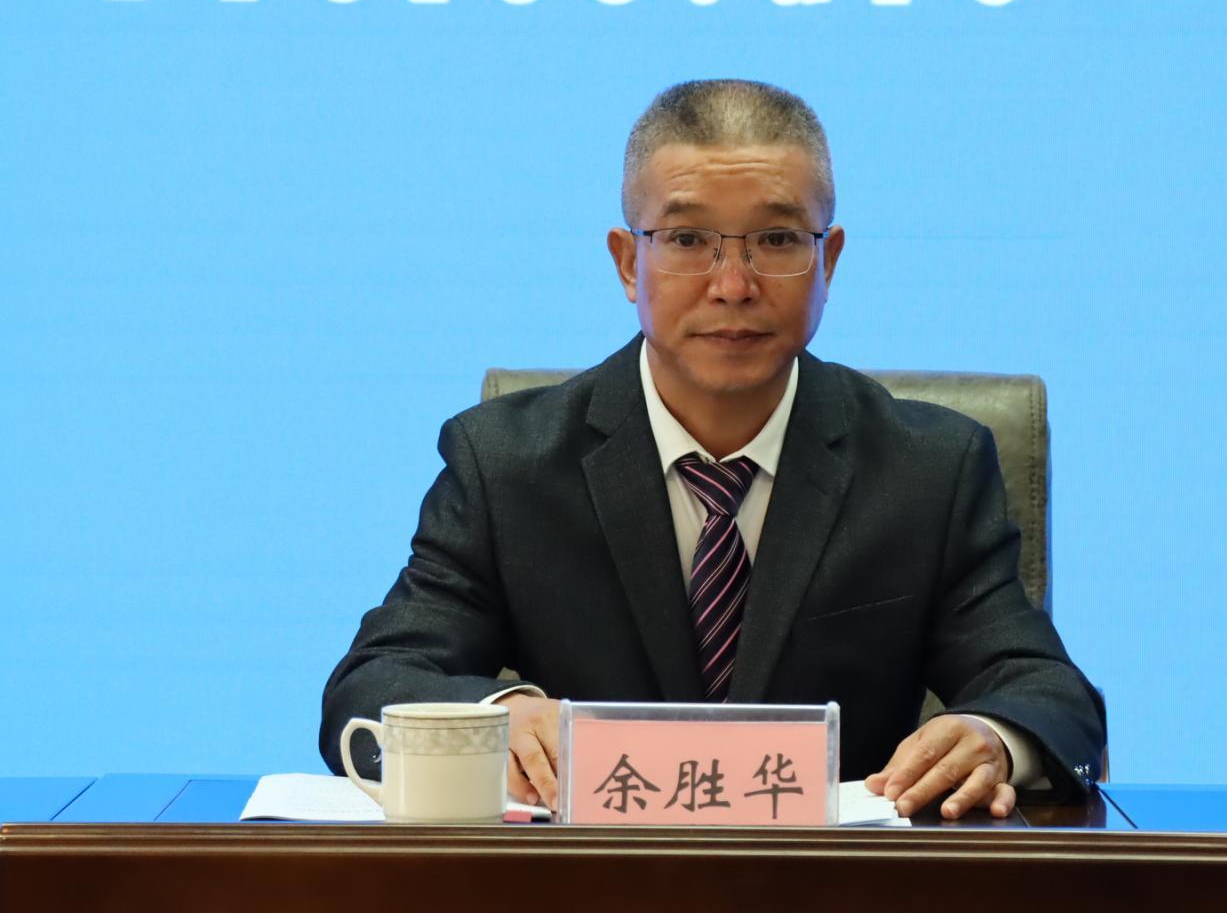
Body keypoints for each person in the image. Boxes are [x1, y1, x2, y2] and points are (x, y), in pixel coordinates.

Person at [320, 80, 1105, 820]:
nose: (732, 284)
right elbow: (372, 684)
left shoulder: (926, 470)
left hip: (837, 888)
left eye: (776, 239)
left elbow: (1046, 693)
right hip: (585, 884)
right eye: (688, 239)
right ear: (628, 263)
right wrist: (499, 714)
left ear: (827, 261)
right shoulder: (507, 463)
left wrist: (995, 737)